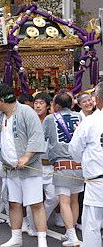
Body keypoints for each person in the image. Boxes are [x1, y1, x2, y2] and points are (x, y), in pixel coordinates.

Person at [0, 84, 48, 247]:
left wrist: (27, 156)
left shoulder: (26, 112)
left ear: (1, 101)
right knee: (14, 203)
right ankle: (16, 237)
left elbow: (36, 136)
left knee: (36, 204)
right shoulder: (0, 116)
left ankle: (42, 240)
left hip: (29, 168)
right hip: (10, 168)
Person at [43, 92, 83, 246]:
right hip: (79, 164)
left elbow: (42, 138)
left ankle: (72, 236)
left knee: (64, 201)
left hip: (61, 164)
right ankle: (70, 232)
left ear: (57, 106)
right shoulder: (79, 117)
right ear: (72, 104)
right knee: (74, 201)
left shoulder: (49, 119)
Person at [69, 82, 103, 247]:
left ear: (98, 100)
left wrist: (82, 160)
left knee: (92, 224)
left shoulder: (89, 123)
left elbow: (74, 150)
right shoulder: (89, 122)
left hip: (96, 180)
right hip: (96, 180)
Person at [26, 92, 59, 236]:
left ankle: (40, 220)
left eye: (41, 103)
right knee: (33, 198)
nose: (38, 105)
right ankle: (33, 227)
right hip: (34, 165)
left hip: (50, 166)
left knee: (54, 197)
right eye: (36, 103)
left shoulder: (52, 120)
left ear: (48, 105)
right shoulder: (29, 120)